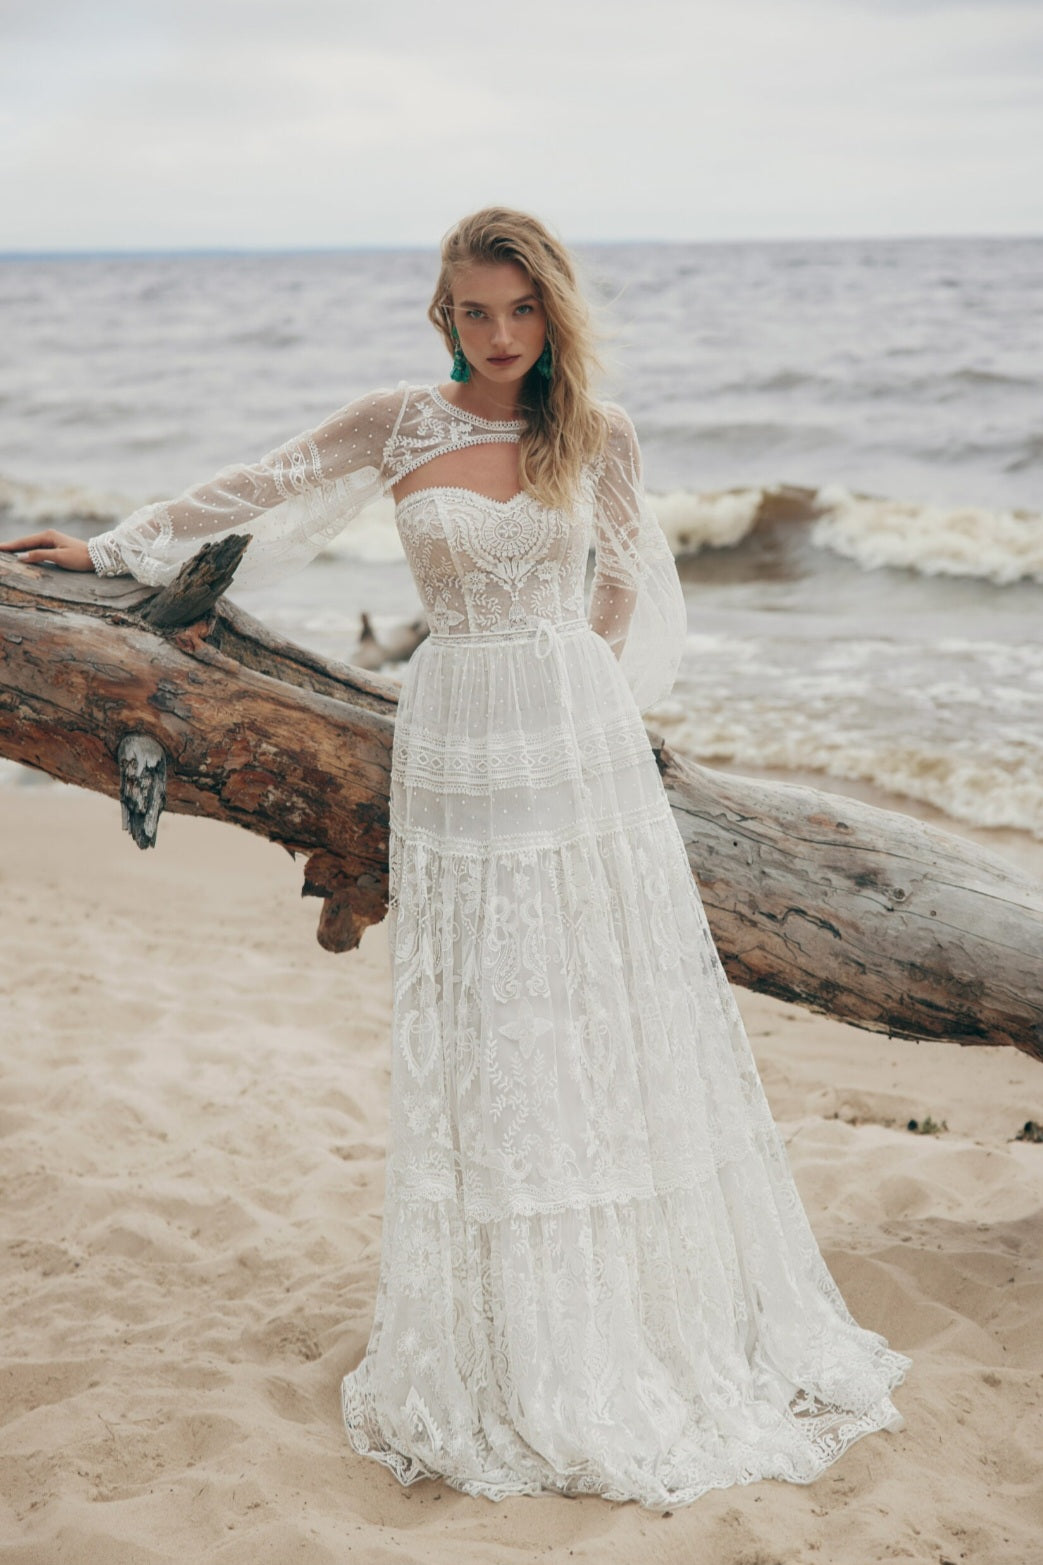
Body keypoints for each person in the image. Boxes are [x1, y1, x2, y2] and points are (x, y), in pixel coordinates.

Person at [1, 206, 910, 1508]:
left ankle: (618, 1309)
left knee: (594, 1008)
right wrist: (112, 549)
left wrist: (586, 689)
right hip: (456, 737)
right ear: (445, 313)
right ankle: (505, 1321)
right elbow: (259, 486)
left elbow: (627, 581)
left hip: (571, 735)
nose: (498, 336)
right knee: (491, 1019)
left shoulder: (595, 431)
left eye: (520, 311)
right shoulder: (399, 424)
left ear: (553, 313)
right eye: (474, 312)